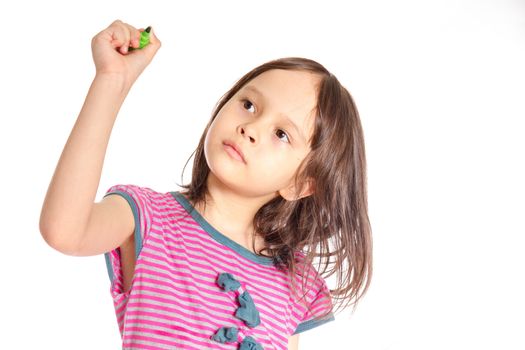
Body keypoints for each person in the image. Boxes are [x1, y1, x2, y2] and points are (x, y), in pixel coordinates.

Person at [39, 19, 373, 350]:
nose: (251, 127)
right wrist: (111, 81)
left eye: (281, 134)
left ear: (301, 185)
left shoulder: (294, 282)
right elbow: (64, 230)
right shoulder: (147, 217)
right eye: (249, 104)